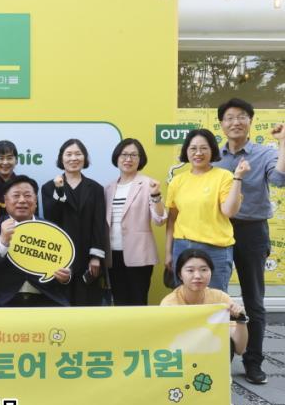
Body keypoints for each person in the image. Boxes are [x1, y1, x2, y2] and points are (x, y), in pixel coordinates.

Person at [213, 98, 285, 385]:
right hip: (217, 230)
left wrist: (282, 143)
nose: (235, 122)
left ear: (250, 121)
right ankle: (218, 358)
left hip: (252, 231)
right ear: (221, 124)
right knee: (215, 298)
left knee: (254, 300)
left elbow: (279, 180)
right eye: (229, 117)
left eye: (241, 116)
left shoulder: (264, 153)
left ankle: (253, 361)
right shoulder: (213, 156)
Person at [160, 248, 248, 405]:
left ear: (211, 273)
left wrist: (240, 320)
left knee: (226, 342)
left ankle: (217, 396)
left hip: (209, 356)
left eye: (203, 269)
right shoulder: (169, 303)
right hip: (180, 358)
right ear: (180, 274)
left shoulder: (220, 298)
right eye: (190, 270)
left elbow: (240, 348)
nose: (197, 276)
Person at [165, 128, 250, 292]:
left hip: (215, 249)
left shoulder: (224, 176)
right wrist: (168, 253)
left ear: (212, 150)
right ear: (186, 151)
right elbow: (172, 220)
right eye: (193, 148)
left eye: (204, 148)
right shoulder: (177, 181)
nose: (198, 153)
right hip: (182, 247)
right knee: (184, 299)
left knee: (214, 300)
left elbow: (229, 211)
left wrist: (238, 178)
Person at [0, 175, 71, 307]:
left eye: (28, 195)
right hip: (4, 301)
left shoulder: (51, 229)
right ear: (5, 200)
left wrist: (65, 277)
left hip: (46, 298)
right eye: (16, 196)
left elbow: (65, 262)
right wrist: (3, 241)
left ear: (35, 200)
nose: (22, 200)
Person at [42, 139, 108, 306]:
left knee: (88, 301)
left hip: (87, 255)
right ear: (61, 158)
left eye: (78, 154)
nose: (73, 158)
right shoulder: (48, 187)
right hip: (59, 254)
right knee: (61, 302)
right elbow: (51, 219)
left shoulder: (96, 188)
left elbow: (99, 223)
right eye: (69, 154)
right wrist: (59, 191)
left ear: (85, 158)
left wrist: (96, 257)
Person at [105, 138, 167, 305]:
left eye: (133, 155)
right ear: (117, 157)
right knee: (119, 302)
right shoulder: (108, 188)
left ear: (140, 159)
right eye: (124, 154)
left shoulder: (148, 184)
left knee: (138, 301)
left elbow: (160, 219)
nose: (128, 159)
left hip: (139, 253)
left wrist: (155, 195)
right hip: (113, 254)